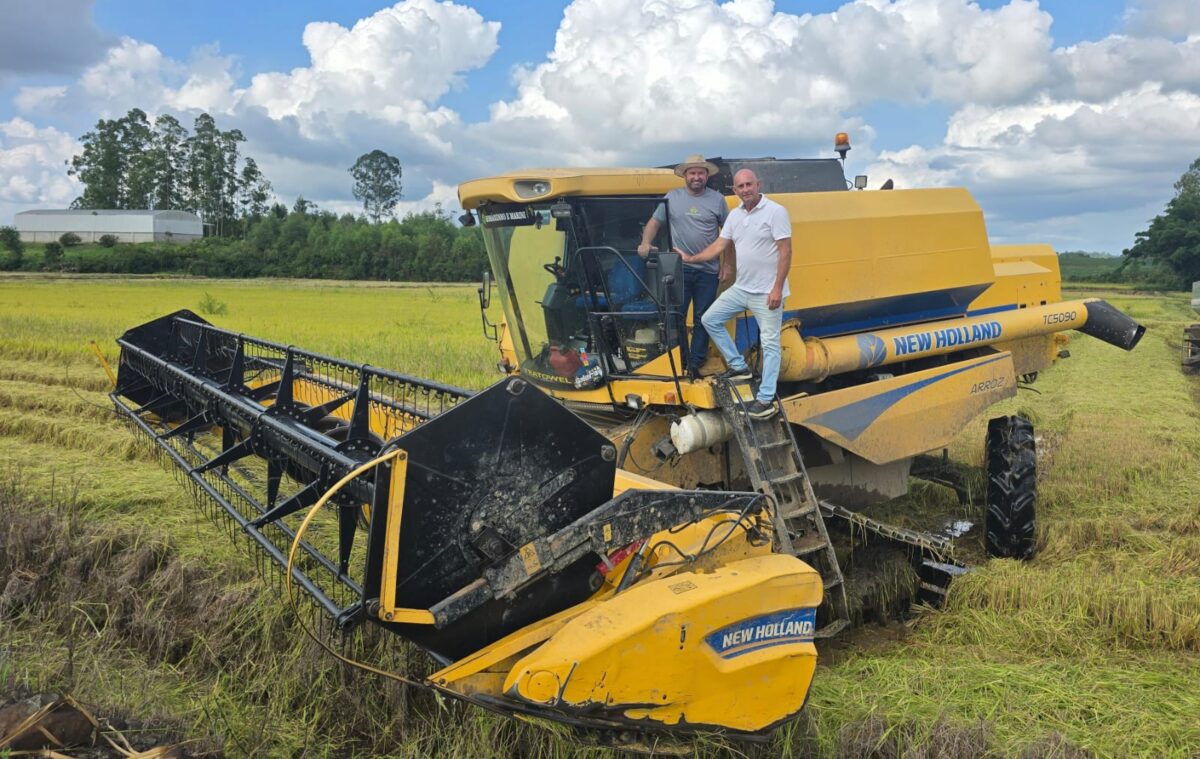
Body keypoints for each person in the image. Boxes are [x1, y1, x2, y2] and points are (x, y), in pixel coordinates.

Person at [679, 169, 792, 419]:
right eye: (740, 186)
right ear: (735, 190)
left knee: (770, 344)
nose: (745, 190)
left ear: (758, 184)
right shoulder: (735, 216)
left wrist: (777, 288)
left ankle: (765, 400)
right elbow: (720, 245)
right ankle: (739, 367)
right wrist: (691, 258)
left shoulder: (776, 212)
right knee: (710, 319)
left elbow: (785, 251)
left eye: (749, 184)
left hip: (767, 292)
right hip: (742, 288)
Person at [637, 154, 729, 381]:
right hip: (679, 269)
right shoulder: (672, 197)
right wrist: (645, 243)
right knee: (674, 316)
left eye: (700, 172)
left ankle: (694, 364)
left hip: (709, 270)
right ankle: (679, 362)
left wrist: (727, 264)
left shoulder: (718, 200)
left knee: (703, 318)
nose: (696, 176)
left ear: (706, 175)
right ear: (685, 176)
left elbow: (729, 235)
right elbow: (654, 223)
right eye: (692, 172)